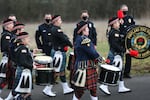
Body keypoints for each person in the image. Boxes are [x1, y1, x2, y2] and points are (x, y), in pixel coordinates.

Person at [42, 15, 74, 97]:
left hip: (60, 52)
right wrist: (71, 45)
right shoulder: (56, 30)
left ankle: (65, 88)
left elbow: (64, 37)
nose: (61, 21)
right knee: (56, 72)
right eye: (60, 20)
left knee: (62, 70)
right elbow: (65, 39)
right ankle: (47, 89)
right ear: (56, 21)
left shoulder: (55, 29)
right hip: (58, 53)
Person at [99, 17, 131, 95]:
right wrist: (124, 50)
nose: (119, 23)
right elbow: (115, 45)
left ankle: (121, 86)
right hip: (114, 54)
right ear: (113, 24)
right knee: (111, 70)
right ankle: (104, 85)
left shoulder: (117, 31)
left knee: (120, 70)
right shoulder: (113, 33)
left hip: (117, 54)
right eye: (117, 22)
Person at [72, 21, 103, 100]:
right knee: (80, 90)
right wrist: (101, 59)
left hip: (83, 65)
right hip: (85, 67)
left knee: (93, 89)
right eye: (87, 28)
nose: (89, 30)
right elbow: (92, 52)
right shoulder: (84, 40)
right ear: (83, 30)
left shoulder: (78, 39)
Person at [5, 32, 33, 100]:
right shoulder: (22, 49)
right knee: (23, 90)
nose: (29, 39)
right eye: (27, 38)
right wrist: (32, 65)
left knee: (23, 90)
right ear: (23, 40)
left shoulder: (19, 47)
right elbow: (23, 62)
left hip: (21, 70)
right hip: (23, 71)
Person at [119, 4, 135, 78]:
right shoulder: (118, 19)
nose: (125, 11)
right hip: (121, 40)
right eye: (124, 10)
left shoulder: (130, 18)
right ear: (121, 10)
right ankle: (119, 72)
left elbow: (134, 27)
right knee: (120, 56)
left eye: (126, 10)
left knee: (129, 56)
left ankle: (127, 73)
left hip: (129, 40)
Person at [0, 19, 14, 99]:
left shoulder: (10, 34)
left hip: (10, 59)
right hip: (7, 59)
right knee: (4, 78)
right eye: (11, 24)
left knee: (11, 79)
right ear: (7, 26)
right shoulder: (6, 35)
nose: (13, 25)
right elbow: (6, 47)